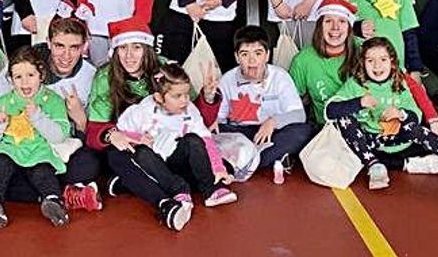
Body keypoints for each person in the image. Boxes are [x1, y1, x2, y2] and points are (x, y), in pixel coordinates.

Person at [0, 17, 102, 213]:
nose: (66, 55)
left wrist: (79, 118)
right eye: (59, 46)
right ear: (49, 43)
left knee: (89, 164)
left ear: (84, 47)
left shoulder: (91, 76)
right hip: (10, 148)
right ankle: (61, 194)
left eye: (74, 47)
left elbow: (88, 136)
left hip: (52, 152)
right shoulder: (23, 64)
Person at [289, 0, 438, 142]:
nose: (335, 28)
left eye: (342, 21)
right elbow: (291, 101)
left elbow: (409, 83)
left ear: (350, 27)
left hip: (374, 127)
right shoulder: (303, 60)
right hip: (333, 132)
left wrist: (433, 118)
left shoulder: (366, 51)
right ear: (319, 26)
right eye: (328, 21)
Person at [85, 17, 195, 231]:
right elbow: (92, 131)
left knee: (192, 150)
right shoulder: (104, 77)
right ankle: (165, 204)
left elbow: (193, 113)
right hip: (132, 147)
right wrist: (111, 135)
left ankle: (126, 183)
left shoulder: (166, 68)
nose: (129, 55)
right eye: (123, 48)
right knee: (117, 156)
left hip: (166, 143)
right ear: (115, 51)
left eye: (136, 47)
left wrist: (210, 99)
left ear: (147, 49)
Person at [326, 37, 438, 190]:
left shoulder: (399, 82)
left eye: (383, 59)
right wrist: (359, 103)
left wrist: (401, 114)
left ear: (392, 62)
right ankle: (377, 165)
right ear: (362, 63)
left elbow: (416, 116)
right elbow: (331, 111)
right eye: (370, 60)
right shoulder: (355, 84)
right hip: (372, 144)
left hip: (399, 139)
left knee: (418, 129)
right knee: (345, 124)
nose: (377, 65)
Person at [117, 63, 237, 210]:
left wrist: (218, 167)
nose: (184, 100)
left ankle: (212, 190)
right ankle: (178, 191)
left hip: (178, 161)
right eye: (177, 96)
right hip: (157, 164)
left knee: (194, 141)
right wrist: (138, 138)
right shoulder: (144, 110)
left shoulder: (189, 110)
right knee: (141, 153)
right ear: (159, 97)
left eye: (186, 94)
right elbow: (120, 130)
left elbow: (206, 138)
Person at [200, 26, 312, 183]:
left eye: (258, 53)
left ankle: (242, 161)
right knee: (209, 137)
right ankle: (264, 158)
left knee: (302, 131)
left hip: (270, 133)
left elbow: (299, 115)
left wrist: (273, 122)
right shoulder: (227, 80)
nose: (252, 61)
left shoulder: (280, 76)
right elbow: (218, 121)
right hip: (240, 133)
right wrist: (209, 100)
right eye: (244, 54)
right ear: (237, 57)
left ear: (267, 55)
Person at [0, 47, 71, 228]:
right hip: (11, 149)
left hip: (39, 150)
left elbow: (59, 135)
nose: (24, 82)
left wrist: (38, 117)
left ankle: (52, 201)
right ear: (11, 80)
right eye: (18, 77)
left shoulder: (53, 100)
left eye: (30, 75)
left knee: (42, 170)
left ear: (41, 75)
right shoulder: (3, 102)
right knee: (0, 162)